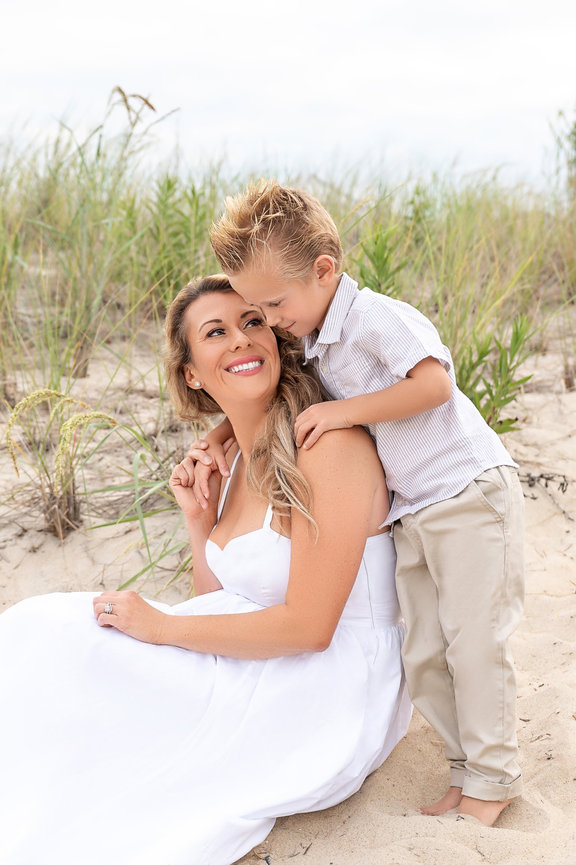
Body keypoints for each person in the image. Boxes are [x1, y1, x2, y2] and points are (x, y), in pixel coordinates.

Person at [0, 275, 411, 865]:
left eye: (252, 322)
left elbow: (309, 627)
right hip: (257, 657)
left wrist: (163, 629)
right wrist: (199, 521)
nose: (242, 340)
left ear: (277, 338)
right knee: (41, 633)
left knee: (82, 677)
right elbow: (223, 599)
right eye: (216, 332)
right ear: (193, 372)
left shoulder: (329, 446)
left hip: (327, 683)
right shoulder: (239, 454)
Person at [190, 181, 525, 828]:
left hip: (466, 492)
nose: (270, 318)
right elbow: (270, 387)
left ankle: (493, 778)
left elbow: (433, 383)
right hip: (415, 511)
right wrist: (218, 433)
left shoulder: (376, 317)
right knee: (426, 647)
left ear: (325, 270)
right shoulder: (310, 334)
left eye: (273, 303)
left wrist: (346, 410)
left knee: (474, 639)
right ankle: (465, 772)